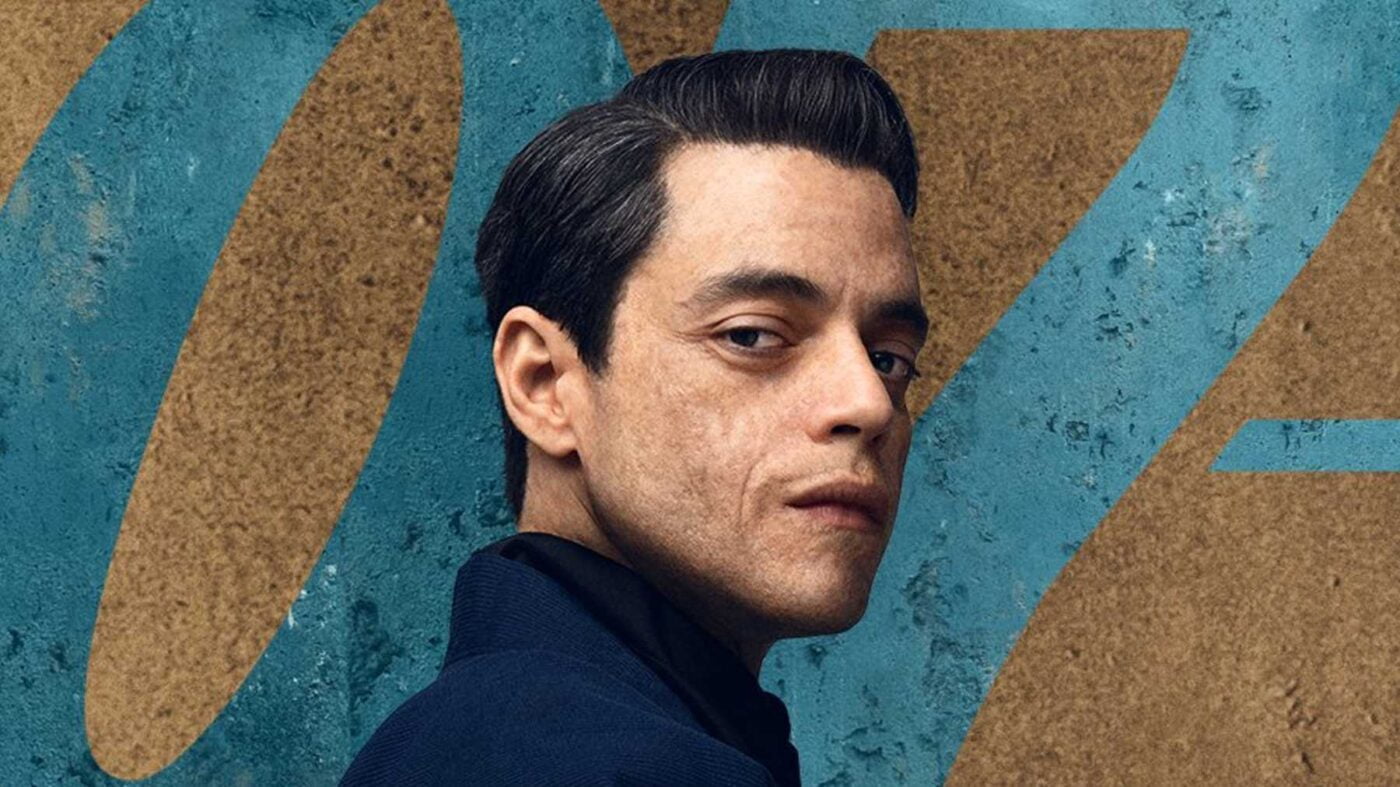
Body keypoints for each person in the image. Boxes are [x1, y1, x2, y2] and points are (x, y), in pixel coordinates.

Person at [341, 47, 926, 786]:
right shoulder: (581, 762)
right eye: (752, 336)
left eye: (889, 357)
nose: (868, 403)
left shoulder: (488, 741)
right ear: (545, 383)